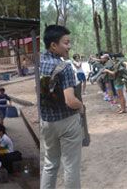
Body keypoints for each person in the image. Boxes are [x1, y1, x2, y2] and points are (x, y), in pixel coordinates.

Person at [40, 25, 83, 189]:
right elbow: (70, 100)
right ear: (53, 45)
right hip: (67, 121)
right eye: (66, 43)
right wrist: (81, 106)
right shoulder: (64, 67)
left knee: (50, 163)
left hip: (46, 122)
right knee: (71, 166)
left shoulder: (38, 63)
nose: (69, 46)